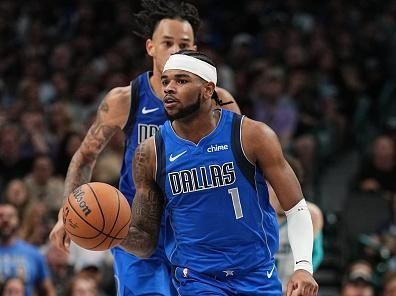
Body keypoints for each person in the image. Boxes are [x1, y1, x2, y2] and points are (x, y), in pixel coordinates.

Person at [49, 0, 240, 295]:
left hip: (195, 232)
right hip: (136, 230)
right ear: (151, 47)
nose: (176, 50)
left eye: (184, 43)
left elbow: (242, 165)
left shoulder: (218, 101)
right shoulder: (126, 99)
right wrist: (67, 213)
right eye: (167, 42)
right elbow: (85, 155)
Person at [120, 50, 318, 295]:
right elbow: (146, 242)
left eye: (181, 80)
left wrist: (303, 266)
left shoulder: (251, 135)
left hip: (256, 273)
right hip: (197, 280)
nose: (169, 88)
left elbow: (296, 207)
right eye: (165, 81)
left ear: (207, 89)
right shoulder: (150, 152)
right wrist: (112, 234)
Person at [269, 155, 324, 292]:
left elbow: (316, 253)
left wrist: (303, 276)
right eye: (273, 184)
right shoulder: (255, 215)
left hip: (293, 287)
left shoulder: (311, 214)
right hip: (263, 287)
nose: (278, 191)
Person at [0, 201, 55, 296]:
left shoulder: (34, 254)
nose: (5, 220)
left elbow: (48, 290)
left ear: (18, 221)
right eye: (1, 216)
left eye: (10, 216)